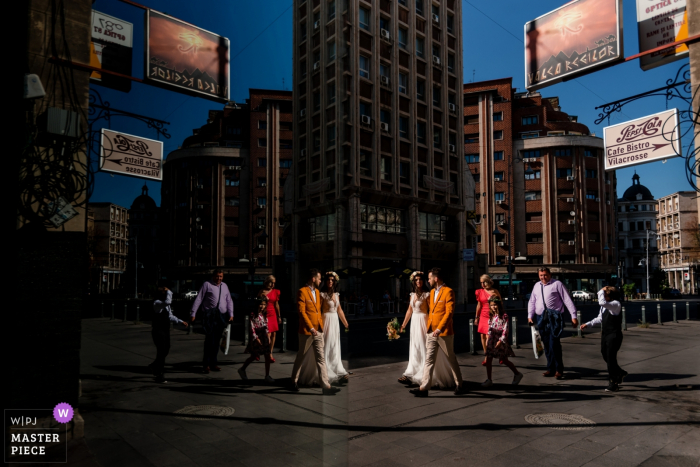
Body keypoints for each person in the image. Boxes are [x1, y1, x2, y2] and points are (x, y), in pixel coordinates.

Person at [409, 268, 465, 397]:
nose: (427, 281)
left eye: (429, 278)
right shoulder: (432, 292)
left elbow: (449, 312)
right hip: (431, 331)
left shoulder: (448, 291)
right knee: (429, 360)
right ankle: (424, 388)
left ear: (436, 279)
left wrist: (439, 328)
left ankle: (459, 384)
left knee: (451, 358)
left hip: (444, 332)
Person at [399, 271, 455, 388]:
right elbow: (409, 311)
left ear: (423, 281)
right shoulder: (412, 294)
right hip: (414, 323)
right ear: (413, 282)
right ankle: (412, 373)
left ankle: (425, 376)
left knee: (424, 347)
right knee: (415, 347)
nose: (418, 281)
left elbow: (433, 310)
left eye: (420, 279)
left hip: (424, 322)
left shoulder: (427, 294)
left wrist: (436, 326)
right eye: (416, 280)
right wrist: (403, 325)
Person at [289, 269, 340, 395]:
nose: (320, 281)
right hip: (307, 331)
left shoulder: (317, 292)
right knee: (301, 356)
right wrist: (311, 328)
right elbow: (302, 312)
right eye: (319, 278)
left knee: (321, 358)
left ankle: (325, 385)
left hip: (318, 331)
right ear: (313, 279)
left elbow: (319, 310)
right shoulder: (302, 291)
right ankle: (293, 381)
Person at [298, 272, 350, 385]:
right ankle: (324, 373)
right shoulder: (321, 294)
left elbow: (339, 309)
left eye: (332, 280)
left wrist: (345, 323)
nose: (330, 281)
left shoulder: (336, 294)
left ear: (335, 282)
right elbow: (317, 309)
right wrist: (315, 325)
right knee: (325, 345)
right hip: (326, 321)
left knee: (334, 345)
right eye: (328, 280)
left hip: (335, 322)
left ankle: (337, 369)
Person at [527, 267, 578, 380]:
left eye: (545, 275)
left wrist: (573, 316)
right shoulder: (537, 286)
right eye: (541, 275)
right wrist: (530, 316)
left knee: (554, 343)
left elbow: (567, 300)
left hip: (555, 318)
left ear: (550, 275)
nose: (543, 277)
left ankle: (559, 369)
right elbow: (532, 301)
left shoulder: (557, 284)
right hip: (541, 318)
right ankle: (551, 368)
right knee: (546, 344)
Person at [580, 287, 627, 392]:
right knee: (605, 354)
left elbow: (601, 302)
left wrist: (601, 290)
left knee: (610, 358)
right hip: (605, 334)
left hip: (614, 335)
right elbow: (599, 318)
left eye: (605, 295)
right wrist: (588, 324)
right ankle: (619, 372)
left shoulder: (615, 304)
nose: (603, 297)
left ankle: (613, 382)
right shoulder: (606, 306)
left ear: (611, 296)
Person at [190, 270, 234, 374]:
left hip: (221, 316)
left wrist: (231, 313)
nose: (219, 278)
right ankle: (206, 364)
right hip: (210, 316)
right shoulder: (207, 284)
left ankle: (214, 363)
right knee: (210, 340)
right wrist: (193, 313)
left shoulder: (224, 286)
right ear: (213, 276)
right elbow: (199, 298)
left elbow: (229, 300)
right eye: (217, 276)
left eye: (221, 276)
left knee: (217, 340)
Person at [481, 296, 523, 388]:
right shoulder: (491, 316)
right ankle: (489, 379)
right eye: (491, 305)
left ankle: (517, 374)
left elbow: (505, 330)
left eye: (495, 305)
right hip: (491, 340)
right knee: (488, 359)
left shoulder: (504, 316)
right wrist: (488, 338)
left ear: (499, 305)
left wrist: (501, 341)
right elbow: (490, 328)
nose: (493, 307)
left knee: (503, 360)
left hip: (500, 340)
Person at [150, 285, 188, 383]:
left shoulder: (165, 305)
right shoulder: (157, 303)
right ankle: (159, 374)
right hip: (158, 330)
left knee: (166, 349)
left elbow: (170, 316)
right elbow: (168, 301)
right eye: (164, 294)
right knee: (161, 351)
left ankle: (155, 366)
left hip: (165, 330)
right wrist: (169, 291)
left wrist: (180, 321)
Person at [238, 296, 274, 383]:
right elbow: (252, 327)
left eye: (264, 304)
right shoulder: (253, 314)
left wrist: (268, 336)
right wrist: (256, 338)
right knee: (254, 355)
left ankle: (267, 375)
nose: (262, 306)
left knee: (267, 355)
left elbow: (266, 325)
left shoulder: (264, 314)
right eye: (261, 304)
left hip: (264, 336)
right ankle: (242, 369)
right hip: (257, 337)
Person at [475, 274, 502, 366]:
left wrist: (500, 315)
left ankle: (497, 354)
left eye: (484, 282)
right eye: (481, 283)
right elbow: (479, 305)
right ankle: (486, 355)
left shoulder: (495, 291)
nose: (482, 284)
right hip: (483, 315)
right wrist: (476, 317)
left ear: (488, 281)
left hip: (492, 316)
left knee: (489, 337)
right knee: (482, 336)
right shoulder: (480, 292)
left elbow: (500, 303)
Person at [258, 275, 281, 363]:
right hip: (265, 315)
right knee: (267, 335)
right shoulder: (262, 292)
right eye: (271, 282)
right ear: (267, 282)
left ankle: (270, 352)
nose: (273, 285)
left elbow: (276, 305)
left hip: (273, 315)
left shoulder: (275, 292)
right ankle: (263, 352)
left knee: (274, 334)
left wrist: (279, 316)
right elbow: (258, 304)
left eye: (274, 283)